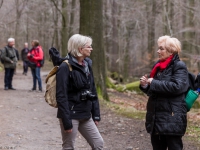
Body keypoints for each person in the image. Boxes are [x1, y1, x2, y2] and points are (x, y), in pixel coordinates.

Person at [139, 35, 189, 150]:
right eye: (158, 48)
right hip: (156, 118)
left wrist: (154, 82)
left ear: (171, 51)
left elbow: (178, 87)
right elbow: (155, 91)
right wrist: (146, 85)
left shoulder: (179, 66)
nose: (158, 51)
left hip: (172, 118)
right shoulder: (158, 67)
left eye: (161, 49)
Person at [56, 34, 104, 149]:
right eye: (89, 46)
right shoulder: (65, 67)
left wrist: (96, 114)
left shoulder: (87, 65)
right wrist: (67, 121)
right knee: (69, 146)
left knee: (98, 143)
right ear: (80, 49)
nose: (91, 49)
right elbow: (61, 96)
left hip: (86, 114)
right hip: (71, 115)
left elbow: (92, 90)